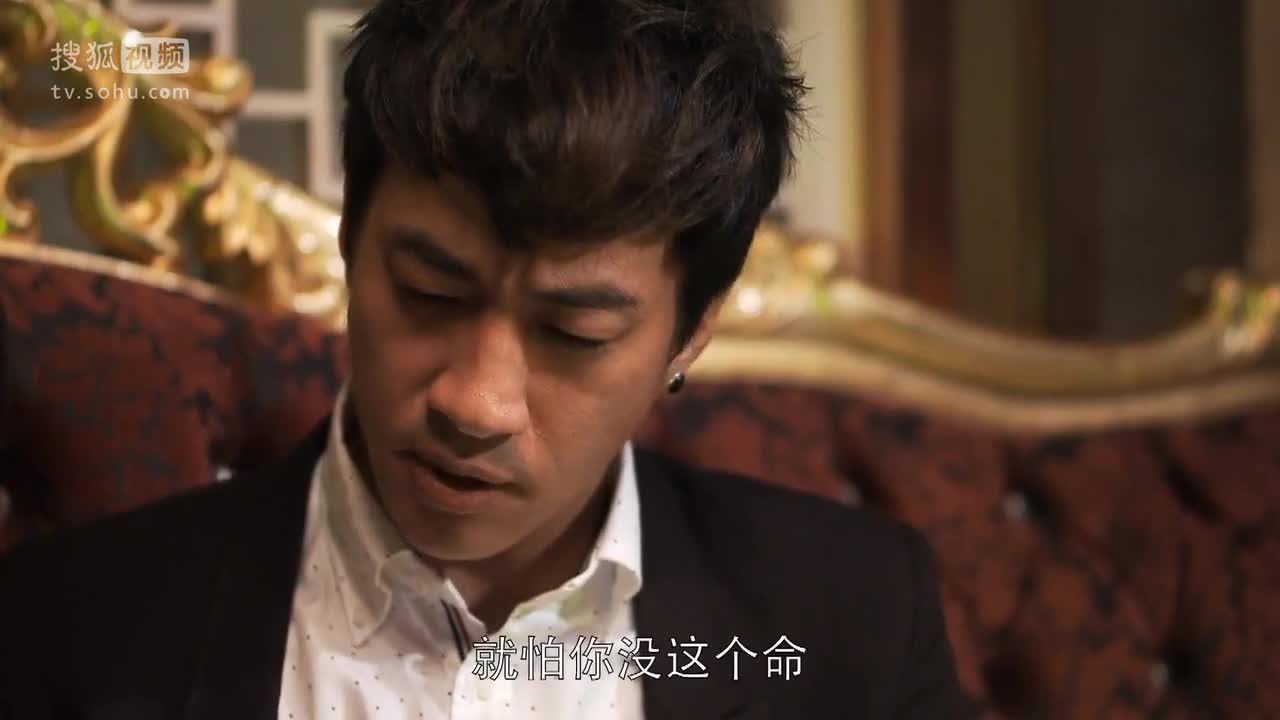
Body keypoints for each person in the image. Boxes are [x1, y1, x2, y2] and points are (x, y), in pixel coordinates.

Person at [0, 1, 971, 718]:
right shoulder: (71, 626)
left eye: (574, 336)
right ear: (349, 243)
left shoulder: (849, 619)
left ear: (691, 334)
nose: (474, 402)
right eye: (428, 293)